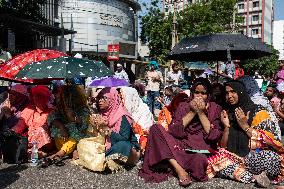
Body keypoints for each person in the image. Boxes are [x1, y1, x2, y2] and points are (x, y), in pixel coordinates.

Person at [139, 78, 223, 186]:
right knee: (156, 128)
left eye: (203, 93)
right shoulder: (183, 106)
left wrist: (201, 113)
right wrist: (192, 112)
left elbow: (214, 136)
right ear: (192, 92)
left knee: (199, 162)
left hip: (199, 149)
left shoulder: (215, 108)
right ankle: (179, 169)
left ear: (209, 94)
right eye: (196, 92)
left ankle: (169, 162)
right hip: (181, 145)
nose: (199, 96)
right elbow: (174, 131)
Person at [207, 80, 282, 187]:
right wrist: (227, 127)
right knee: (215, 162)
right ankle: (253, 176)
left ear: (241, 92)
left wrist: (245, 126)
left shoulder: (259, 111)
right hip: (234, 160)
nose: (229, 96)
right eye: (227, 93)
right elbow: (223, 146)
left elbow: (269, 141)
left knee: (271, 158)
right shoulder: (226, 113)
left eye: (233, 92)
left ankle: (249, 174)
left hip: (254, 157)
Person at [92, 87, 140, 172]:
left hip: (126, 148)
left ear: (112, 100)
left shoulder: (122, 116)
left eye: (104, 98)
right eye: (99, 97)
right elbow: (96, 138)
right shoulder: (101, 114)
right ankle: (107, 159)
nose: (100, 100)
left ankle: (103, 159)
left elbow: (124, 139)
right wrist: (94, 125)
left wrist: (105, 128)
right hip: (107, 147)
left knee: (123, 145)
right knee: (83, 143)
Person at [46, 85, 90, 163]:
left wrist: (73, 117)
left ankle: (61, 153)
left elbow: (83, 126)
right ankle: (72, 151)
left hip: (78, 137)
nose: (66, 99)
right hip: (64, 138)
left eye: (69, 97)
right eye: (64, 96)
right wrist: (61, 126)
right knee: (56, 127)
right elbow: (51, 117)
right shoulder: (61, 106)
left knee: (74, 129)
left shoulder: (83, 108)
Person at [11, 86, 53, 157]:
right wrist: (11, 133)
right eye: (35, 96)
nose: (36, 98)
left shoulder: (51, 111)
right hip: (30, 142)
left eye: (40, 96)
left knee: (42, 130)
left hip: (47, 143)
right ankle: (36, 153)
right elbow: (20, 125)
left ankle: (40, 152)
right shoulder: (29, 110)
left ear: (46, 98)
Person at [119, 86, 154, 151]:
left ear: (130, 97)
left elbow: (145, 132)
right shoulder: (122, 111)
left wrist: (133, 125)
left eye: (122, 98)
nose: (121, 101)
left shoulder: (144, 111)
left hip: (141, 141)